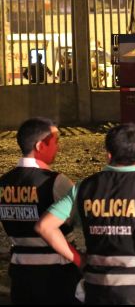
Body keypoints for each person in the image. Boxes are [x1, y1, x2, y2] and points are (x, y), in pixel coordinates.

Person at [36, 123, 135, 305]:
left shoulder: (84, 188)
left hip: (99, 289)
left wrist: (79, 259)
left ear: (108, 153)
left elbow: (44, 226)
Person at [0, 117, 81, 304]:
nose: (58, 148)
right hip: (58, 275)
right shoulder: (56, 182)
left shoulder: (3, 183)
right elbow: (78, 219)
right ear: (39, 146)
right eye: (54, 142)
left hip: (20, 274)